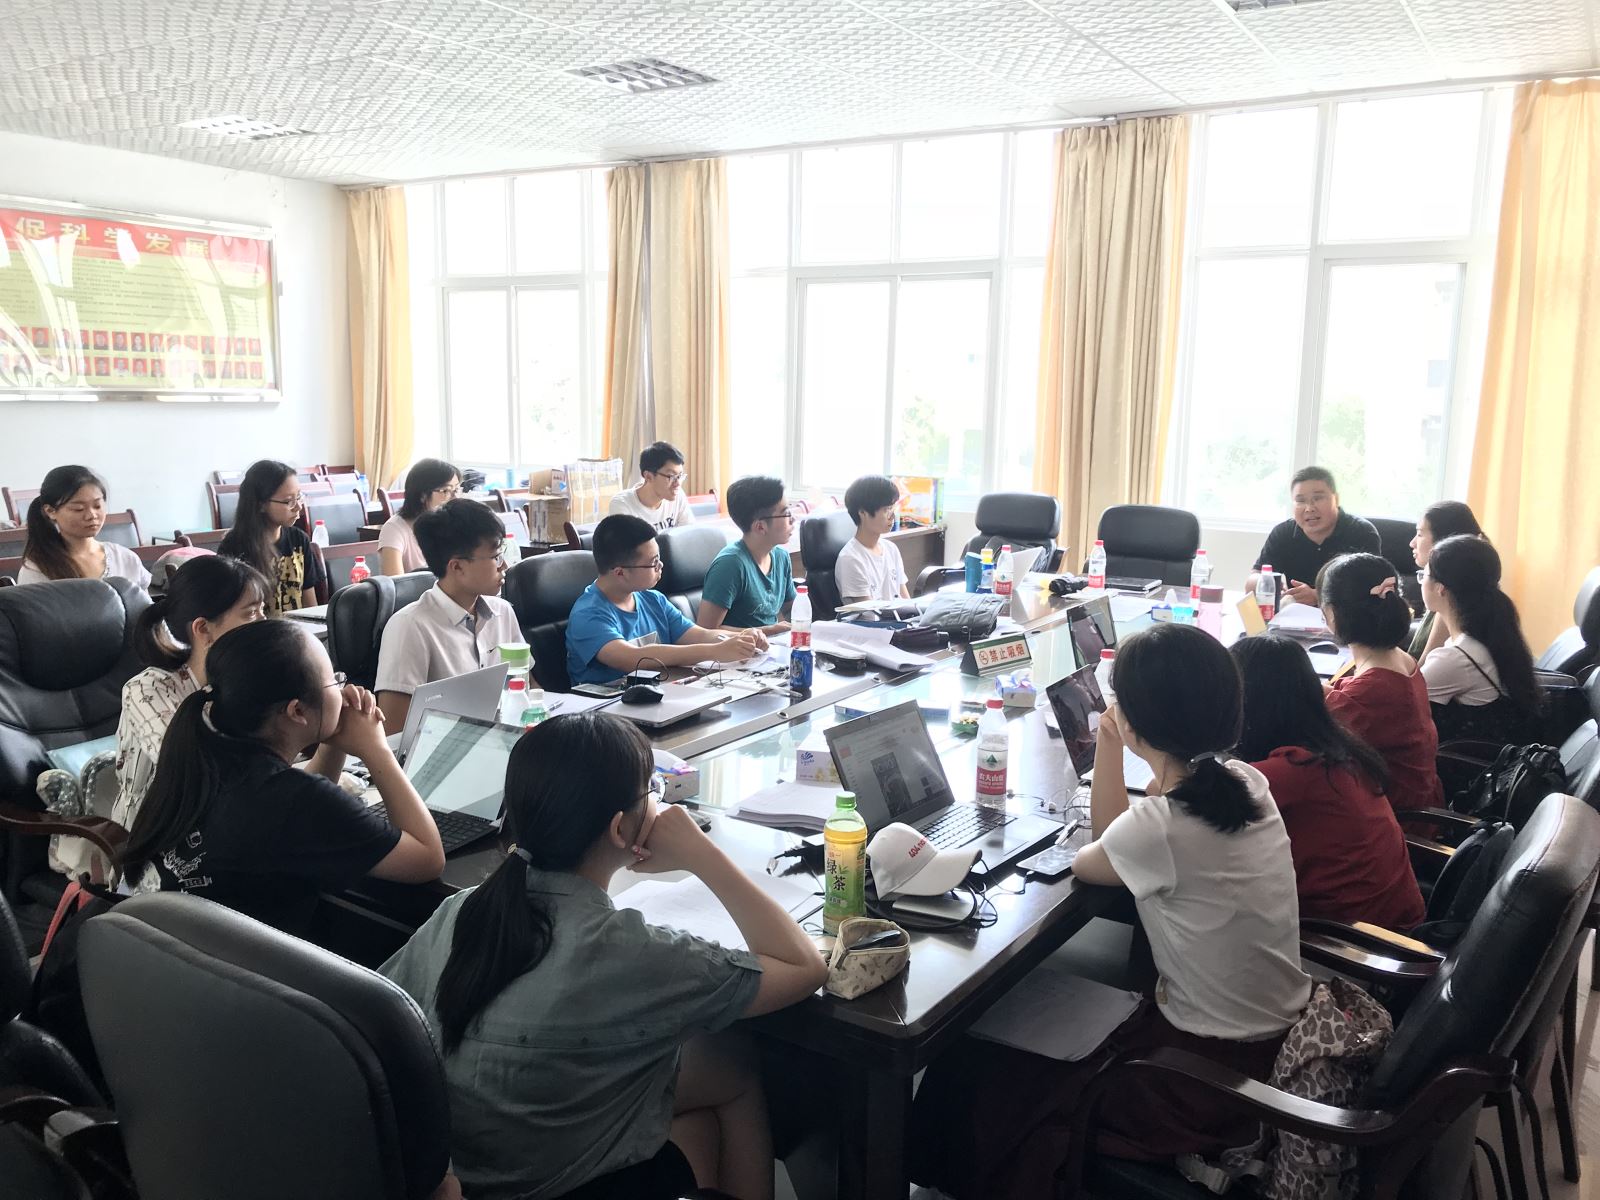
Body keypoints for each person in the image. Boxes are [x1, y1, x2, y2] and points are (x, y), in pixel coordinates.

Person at [911, 623, 1312, 1200]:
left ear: (1134, 720)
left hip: (1201, 1079)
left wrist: (1107, 744)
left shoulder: (1161, 827)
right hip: (1269, 1044)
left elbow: (1096, 855)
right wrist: (1119, 738)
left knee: (982, 1071)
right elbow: (1126, 839)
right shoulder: (1248, 782)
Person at [381, 712, 827, 1200]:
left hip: (465, 1169)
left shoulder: (462, 909)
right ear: (620, 828)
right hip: (549, 1180)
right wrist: (702, 854)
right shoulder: (633, 952)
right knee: (732, 1059)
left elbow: (379, 1016)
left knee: (695, 1121)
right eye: (651, 791)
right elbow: (804, 967)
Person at [120, 619, 446, 939]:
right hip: (265, 972)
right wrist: (376, 750)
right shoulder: (293, 800)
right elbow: (427, 859)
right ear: (297, 711)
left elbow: (299, 813)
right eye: (334, 680)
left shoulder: (204, 760)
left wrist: (333, 741)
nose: (343, 688)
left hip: (185, 961)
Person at [1231, 636, 1424, 929]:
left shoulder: (1285, 775)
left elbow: (1178, 812)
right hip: (1394, 926)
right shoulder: (1339, 749)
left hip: (1353, 946)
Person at [113, 555, 270, 835]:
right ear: (203, 629)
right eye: (250, 613)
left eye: (262, 610)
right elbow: (193, 773)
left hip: (233, 817)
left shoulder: (245, 679)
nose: (263, 622)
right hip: (158, 833)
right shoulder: (147, 690)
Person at [375, 498, 524, 731]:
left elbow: (527, 691)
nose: (504, 566)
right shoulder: (409, 627)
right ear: (457, 567)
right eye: (495, 557)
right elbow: (394, 731)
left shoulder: (503, 612)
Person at [567, 515, 763, 686]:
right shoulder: (588, 614)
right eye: (653, 562)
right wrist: (715, 651)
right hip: (608, 707)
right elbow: (631, 658)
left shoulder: (653, 599)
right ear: (620, 572)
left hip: (658, 695)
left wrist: (742, 639)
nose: (661, 566)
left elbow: (698, 634)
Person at [1318, 553, 1443, 809]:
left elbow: (1314, 734)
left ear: (1331, 613)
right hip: (1421, 798)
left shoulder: (1368, 692)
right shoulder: (1401, 659)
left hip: (1397, 817)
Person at [1419, 535, 1542, 743]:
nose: (1421, 582)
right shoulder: (1484, 637)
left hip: (1469, 762)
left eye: (1424, 575)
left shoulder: (1457, 658)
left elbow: (1402, 701)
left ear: (1441, 588)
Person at [1249, 467, 1380, 607]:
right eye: (1300, 501)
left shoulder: (1361, 532)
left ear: (1336, 499)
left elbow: (1374, 588)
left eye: (1317, 498)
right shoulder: (1283, 533)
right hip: (1296, 617)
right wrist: (1267, 584)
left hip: (1346, 617)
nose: (1309, 508)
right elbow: (1252, 581)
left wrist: (1319, 596)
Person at [217, 460, 326, 614]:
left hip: (297, 627)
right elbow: (229, 612)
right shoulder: (233, 547)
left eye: (299, 497)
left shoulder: (299, 540)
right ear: (260, 504)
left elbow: (310, 605)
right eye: (288, 501)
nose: (298, 507)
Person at [16, 465, 151, 590]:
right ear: (51, 511)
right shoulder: (37, 569)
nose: (91, 515)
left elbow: (145, 606)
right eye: (78, 509)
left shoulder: (125, 558)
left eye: (97, 506)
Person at [697, 476, 794, 637]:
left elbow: (791, 609)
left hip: (773, 648)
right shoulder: (730, 565)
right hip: (736, 651)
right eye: (786, 514)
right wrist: (767, 631)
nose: (793, 519)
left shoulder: (781, 557)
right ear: (760, 527)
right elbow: (705, 631)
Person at [1407, 500, 1484, 658]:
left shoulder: (1449, 598)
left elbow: (1423, 667)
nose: (1412, 543)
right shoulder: (1463, 583)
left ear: (1444, 541)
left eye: (1420, 534)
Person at [835, 475, 910, 604]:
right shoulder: (851, 559)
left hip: (900, 615)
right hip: (875, 618)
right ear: (863, 512)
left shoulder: (891, 549)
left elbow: (906, 601)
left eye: (892, 508)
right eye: (886, 509)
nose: (892, 516)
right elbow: (869, 613)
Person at [379, 458, 460, 576]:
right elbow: (395, 581)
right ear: (422, 495)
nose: (455, 497)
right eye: (445, 491)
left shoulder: (452, 523)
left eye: (456, 489)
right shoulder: (394, 529)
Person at [608, 441, 697, 532]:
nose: (677, 483)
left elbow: (689, 533)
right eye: (671, 476)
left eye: (679, 476)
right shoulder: (622, 504)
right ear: (648, 476)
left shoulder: (678, 495)